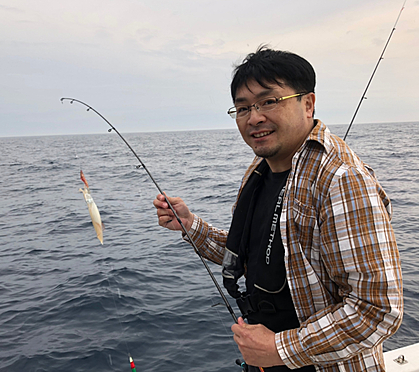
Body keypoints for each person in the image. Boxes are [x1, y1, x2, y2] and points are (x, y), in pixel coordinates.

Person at [153, 46, 403, 372]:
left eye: (269, 101)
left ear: (308, 103)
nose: (254, 117)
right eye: (242, 108)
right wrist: (190, 225)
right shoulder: (260, 170)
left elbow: (379, 309)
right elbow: (252, 252)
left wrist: (280, 348)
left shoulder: (341, 178)